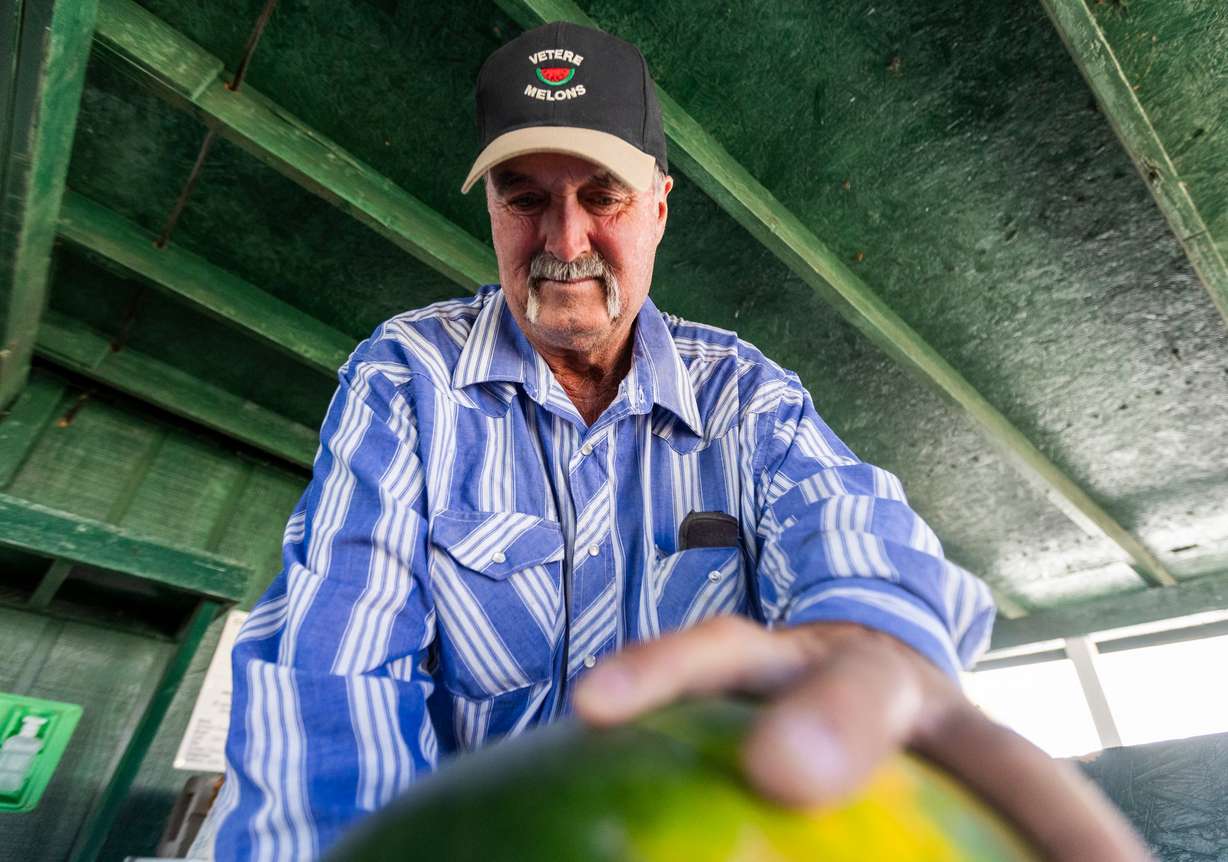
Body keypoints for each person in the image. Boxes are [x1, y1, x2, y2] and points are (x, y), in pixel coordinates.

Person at [201, 21, 1148, 860]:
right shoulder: (406, 377)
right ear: (489, 207)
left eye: (603, 195)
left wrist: (871, 639)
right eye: (522, 197)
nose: (563, 240)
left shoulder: (745, 394)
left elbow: (850, 517)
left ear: (658, 204)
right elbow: (331, 673)